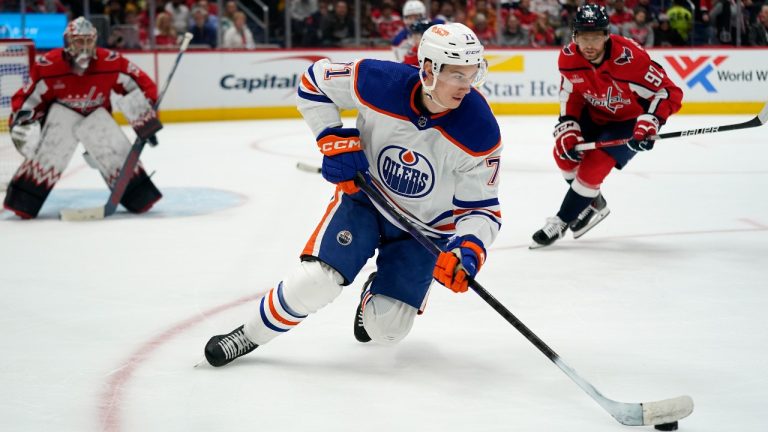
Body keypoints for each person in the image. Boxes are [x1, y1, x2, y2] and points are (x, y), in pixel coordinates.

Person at [204, 23, 502, 367]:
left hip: (426, 231)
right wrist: (330, 137)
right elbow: (312, 82)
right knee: (317, 282)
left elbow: (483, 209)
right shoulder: (379, 81)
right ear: (428, 69)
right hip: (366, 200)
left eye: (472, 74)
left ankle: (374, 293)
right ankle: (248, 334)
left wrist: (468, 248)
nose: (467, 87)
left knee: (387, 330)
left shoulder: (480, 129)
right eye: (457, 75)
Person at [530, 5, 682, 248]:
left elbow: (668, 92)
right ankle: (592, 205)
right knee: (563, 153)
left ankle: (561, 221)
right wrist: (569, 125)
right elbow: (570, 92)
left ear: (606, 35)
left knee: (594, 165)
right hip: (594, 114)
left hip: (628, 122)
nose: (589, 44)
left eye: (595, 37)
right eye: (583, 37)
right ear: (574, 36)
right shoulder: (568, 57)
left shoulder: (630, 59)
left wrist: (650, 122)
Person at [3, 17, 162, 219]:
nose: (85, 46)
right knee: (59, 128)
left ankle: (138, 196)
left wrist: (145, 118)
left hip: (97, 125)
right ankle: (23, 201)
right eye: (79, 41)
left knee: (105, 133)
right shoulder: (49, 65)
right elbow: (27, 100)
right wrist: (22, 123)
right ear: (68, 42)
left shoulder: (111, 61)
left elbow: (139, 85)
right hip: (58, 126)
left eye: (89, 40)